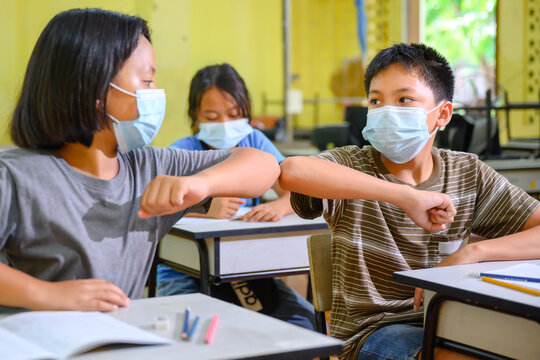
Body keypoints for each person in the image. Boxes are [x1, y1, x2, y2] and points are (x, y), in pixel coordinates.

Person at [0, 8, 280, 312]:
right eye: (147, 81)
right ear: (94, 87)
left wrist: (203, 182)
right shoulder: (15, 177)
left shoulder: (148, 167)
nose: (156, 94)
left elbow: (264, 164)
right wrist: (47, 295)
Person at [279, 43, 540, 360]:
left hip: (454, 317)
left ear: (442, 114)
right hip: (373, 331)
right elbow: (292, 171)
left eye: (404, 99)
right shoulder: (351, 166)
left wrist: (474, 252)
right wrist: (406, 197)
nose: (386, 111)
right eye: (376, 101)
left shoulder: (468, 172)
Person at [157, 63, 316, 331]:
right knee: (200, 334)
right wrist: (206, 207)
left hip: (244, 270)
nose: (224, 125)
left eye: (233, 114)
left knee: (304, 322)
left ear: (246, 113)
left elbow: (297, 192)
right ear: (195, 118)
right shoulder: (183, 151)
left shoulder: (254, 142)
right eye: (211, 116)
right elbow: (155, 203)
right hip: (184, 272)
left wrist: (279, 204)